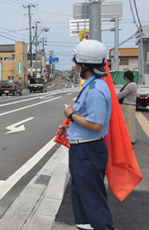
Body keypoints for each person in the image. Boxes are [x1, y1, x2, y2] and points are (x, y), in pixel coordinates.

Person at [57, 40, 115, 230]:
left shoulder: (95, 89)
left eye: (76, 63)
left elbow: (96, 125)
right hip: (83, 150)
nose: (75, 67)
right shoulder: (92, 85)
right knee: (82, 199)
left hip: (88, 151)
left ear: (83, 65)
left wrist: (71, 115)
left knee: (93, 201)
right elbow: (88, 118)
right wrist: (70, 125)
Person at [117, 70, 137, 144]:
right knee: (128, 122)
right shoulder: (132, 84)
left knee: (129, 123)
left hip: (128, 105)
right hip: (129, 105)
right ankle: (130, 138)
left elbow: (123, 93)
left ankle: (131, 139)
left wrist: (113, 95)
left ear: (126, 77)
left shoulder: (131, 85)